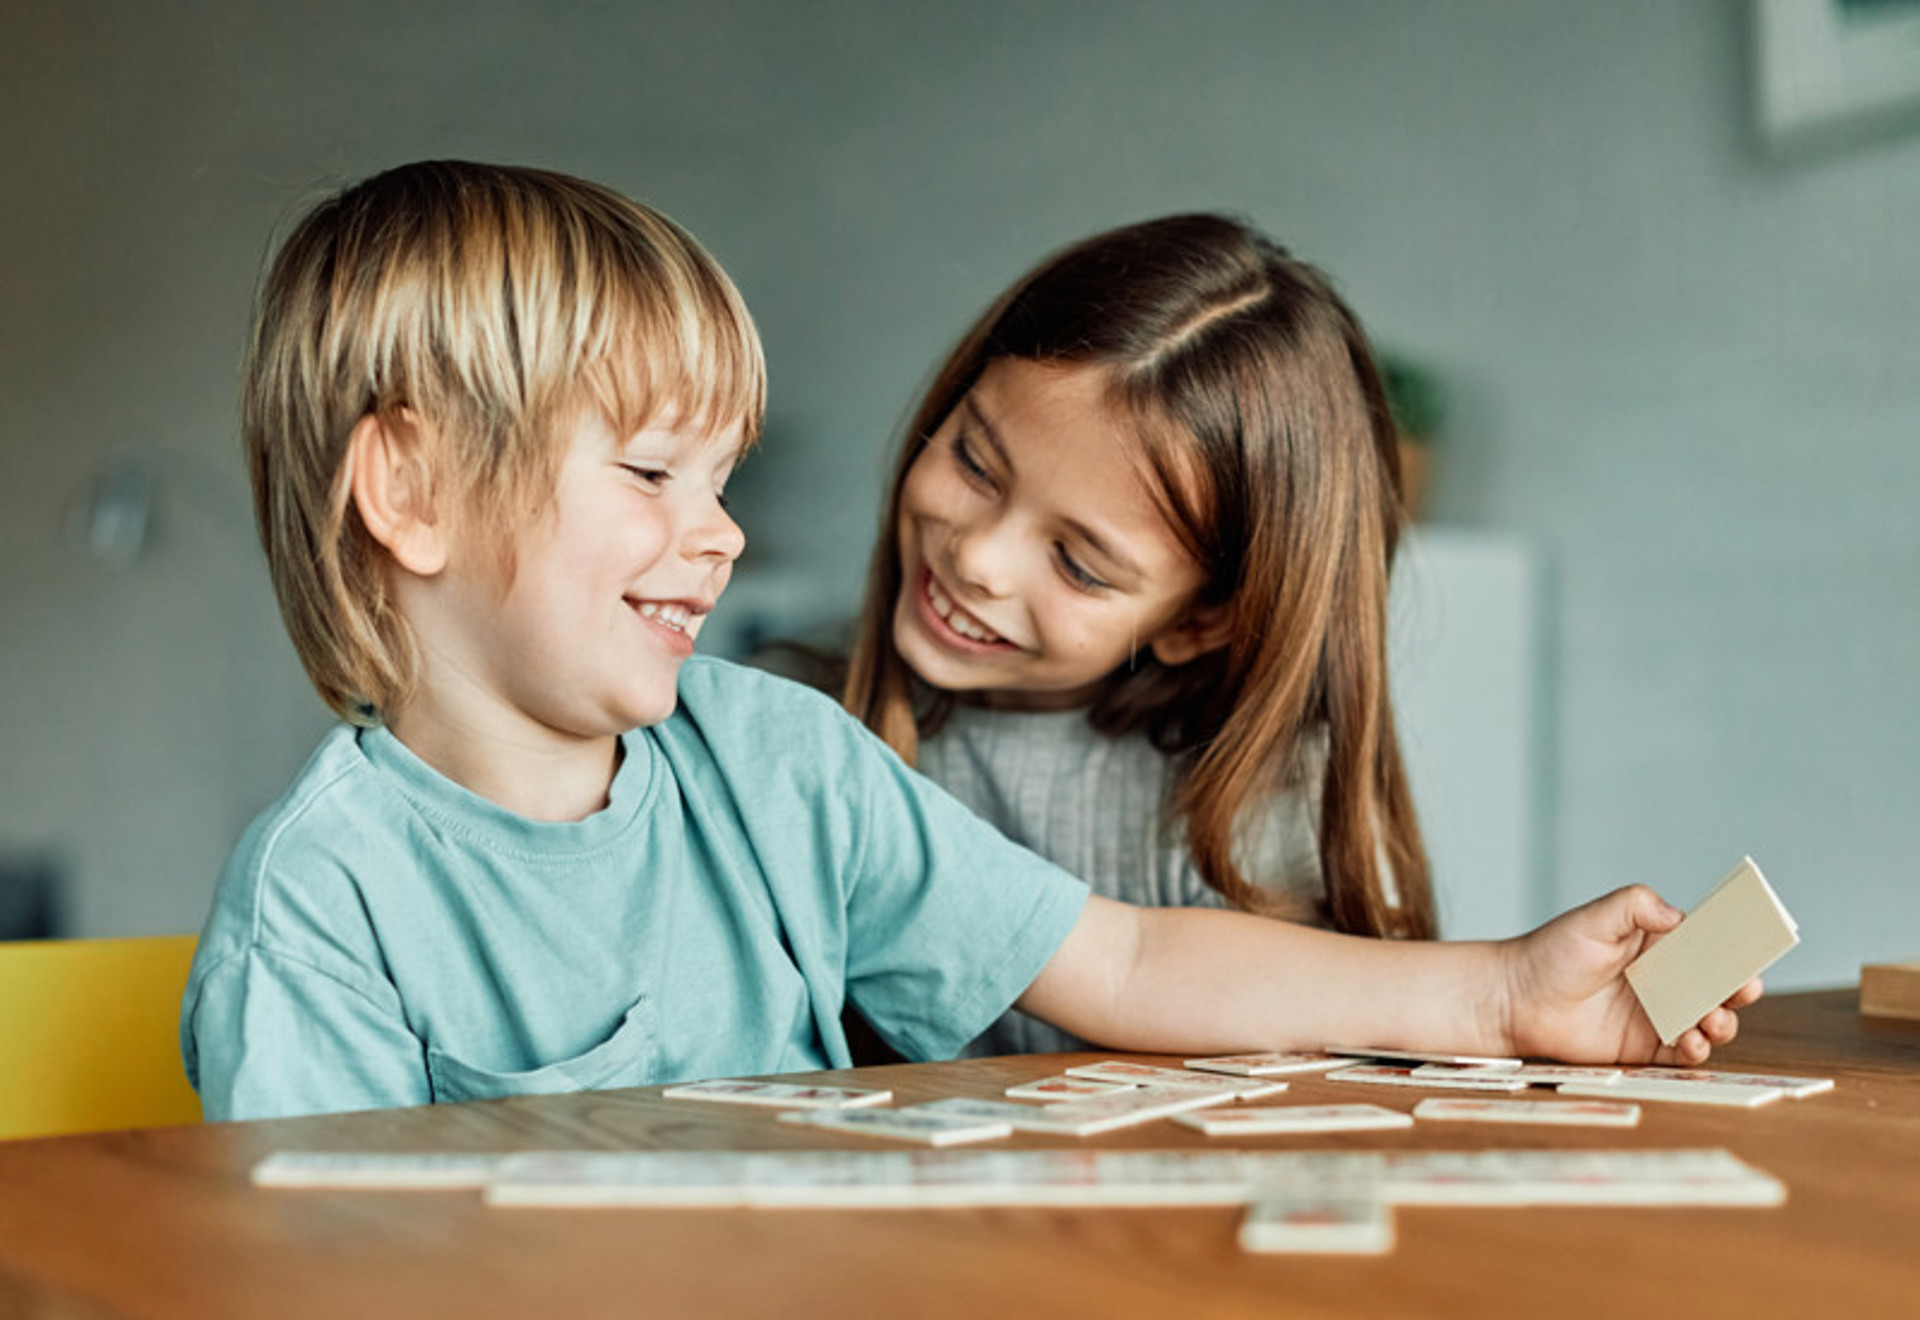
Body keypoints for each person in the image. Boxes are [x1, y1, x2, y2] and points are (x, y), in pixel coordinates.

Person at [182, 161, 1754, 1123]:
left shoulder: (783, 760)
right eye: (656, 474)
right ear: (412, 488)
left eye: (724, 480)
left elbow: (1123, 956)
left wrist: (1499, 1001)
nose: (723, 533)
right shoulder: (320, 905)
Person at [834, 213, 1443, 1053]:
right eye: (975, 463)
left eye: (1080, 566)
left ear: (1201, 620)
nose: (979, 560)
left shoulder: (1246, 813)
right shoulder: (789, 721)